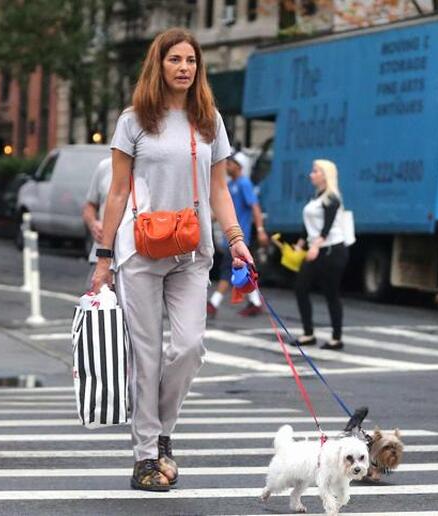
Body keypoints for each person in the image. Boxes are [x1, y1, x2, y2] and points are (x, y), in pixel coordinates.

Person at [90, 28, 253, 492]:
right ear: (158, 65)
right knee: (144, 357)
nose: (184, 67)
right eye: (175, 59)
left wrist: (236, 239)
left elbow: (220, 188)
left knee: (188, 347)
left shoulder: (209, 120)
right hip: (139, 249)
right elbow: (117, 190)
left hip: (192, 250)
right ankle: (145, 455)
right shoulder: (133, 120)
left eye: (191, 61)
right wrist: (103, 258)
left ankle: (162, 432)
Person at [294, 159, 350, 351]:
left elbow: (325, 228)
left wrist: (315, 247)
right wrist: (301, 243)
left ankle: (336, 337)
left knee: (331, 293)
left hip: (332, 250)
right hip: (315, 249)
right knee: (301, 288)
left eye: (315, 171)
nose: (311, 174)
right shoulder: (315, 197)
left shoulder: (332, 198)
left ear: (325, 175)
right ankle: (308, 333)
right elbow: (308, 226)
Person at [207, 150, 269, 317]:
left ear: (238, 166)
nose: (227, 166)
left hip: (239, 237)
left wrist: (260, 230)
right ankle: (255, 302)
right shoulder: (232, 184)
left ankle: (213, 303)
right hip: (231, 236)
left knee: (228, 269)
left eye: (230, 163)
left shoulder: (244, 184)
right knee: (240, 270)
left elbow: (255, 207)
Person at [82, 157, 112, 286]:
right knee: (96, 303)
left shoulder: (149, 166)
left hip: (136, 260)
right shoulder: (105, 166)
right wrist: (93, 224)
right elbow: (90, 206)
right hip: (101, 254)